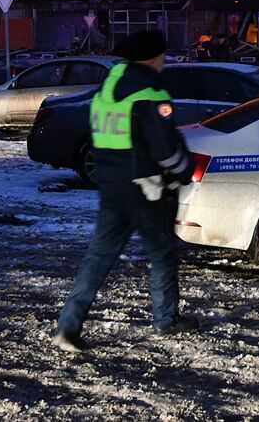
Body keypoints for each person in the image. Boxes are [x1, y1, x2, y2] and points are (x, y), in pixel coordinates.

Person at [54, 30, 197, 351]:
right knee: (162, 253)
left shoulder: (106, 90)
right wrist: (184, 170)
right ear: (152, 59)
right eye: (162, 57)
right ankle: (166, 319)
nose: (164, 63)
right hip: (148, 187)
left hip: (111, 186)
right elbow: (165, 149)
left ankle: (68, 325)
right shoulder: (151, 92)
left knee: (99, 256)